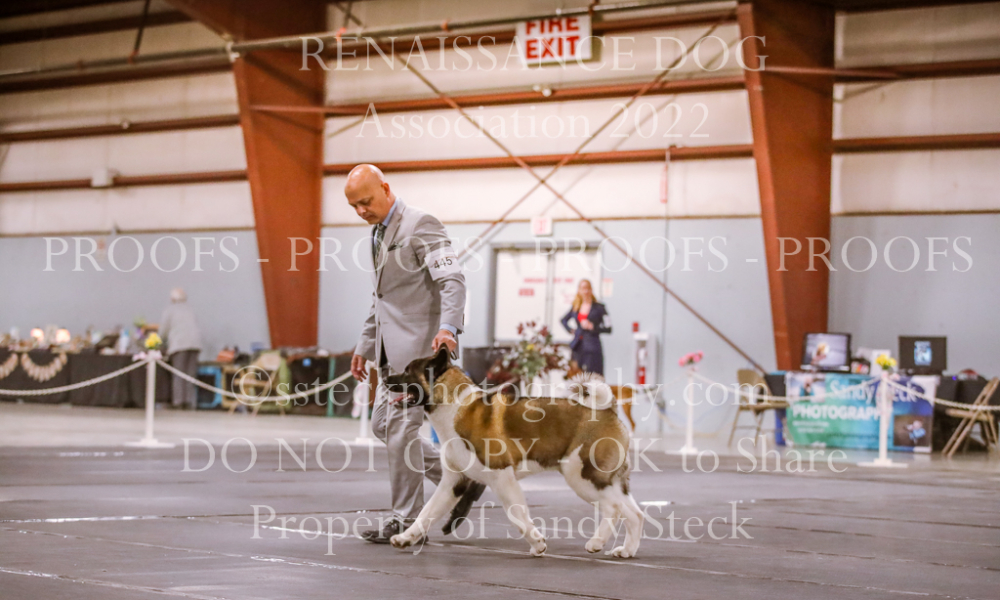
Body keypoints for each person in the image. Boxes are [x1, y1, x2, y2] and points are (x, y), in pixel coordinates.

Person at [347, 164, 485, 544]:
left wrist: (448, 327)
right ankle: (464, 478)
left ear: (385, 188)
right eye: (354, 206)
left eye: (366, 201)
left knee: (399, 432)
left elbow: (452, 280)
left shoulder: (421, 224)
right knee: (383, 426)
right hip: (389, 354)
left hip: (421, 356)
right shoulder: (376, 233)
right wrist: (365, 345)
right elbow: (382, 299)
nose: (361, 210)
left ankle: (406, 521)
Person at [159, 288, 202, 410]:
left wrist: (159, 344)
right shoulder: (190, 310)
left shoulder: (170, 310)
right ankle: (189, 402)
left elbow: (163, 330)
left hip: (179, 345)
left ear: (172, 298)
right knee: (190, 374)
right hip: (195, 344)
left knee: (179, 373)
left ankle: (178, 402)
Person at [560, 279, 612, 376]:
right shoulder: (576, 307)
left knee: (592, 375)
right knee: (576, 375)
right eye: (583, 288)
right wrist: (571, 330)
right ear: (579, 290)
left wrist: (593, 327)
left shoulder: (599, 308)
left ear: (591, 290)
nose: (586, 291)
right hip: (578, 346)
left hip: (592, 346)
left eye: (588, 288)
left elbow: (609, 328)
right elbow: (563, 320)